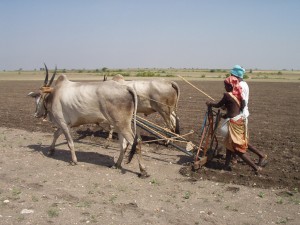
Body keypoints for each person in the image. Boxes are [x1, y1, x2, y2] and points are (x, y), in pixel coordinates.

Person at [206, 76, 262, 174]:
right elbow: (238, 107)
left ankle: (255, 168)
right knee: (229, 145)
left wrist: (210, 103)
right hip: (239, 121)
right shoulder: (239, 95)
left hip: (233, 124)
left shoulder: (227, 95)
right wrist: (227, 108)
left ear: (230, 85)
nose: (225, 87)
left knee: (238, 150)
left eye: (226, 85)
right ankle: (226, 166)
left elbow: (218, 105)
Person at [230, 65, 268, 167]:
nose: (230, 77)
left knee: (238, 140)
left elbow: (240, 102)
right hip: (242, 114)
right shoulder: (244, 84)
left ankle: (261, 155)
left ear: (236, 76)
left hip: (239, 116)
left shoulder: (239, 86)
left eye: (231, 75)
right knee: (236, 139)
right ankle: (234, 158)